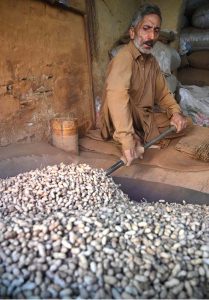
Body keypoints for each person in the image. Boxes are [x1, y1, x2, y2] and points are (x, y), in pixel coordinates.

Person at [100, 3, 189, 166]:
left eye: (155, 30)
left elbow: (163, 94)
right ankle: (126, 137)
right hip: (122, 119)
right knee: (130, 134)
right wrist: (127, 140)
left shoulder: (152, 62)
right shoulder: (123, 58)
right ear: (133, 32)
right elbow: (117, 98)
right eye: (146, 29)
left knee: (183, 123)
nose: (151, 37)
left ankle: (139, 136)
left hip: (143, 118)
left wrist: (175, 112)